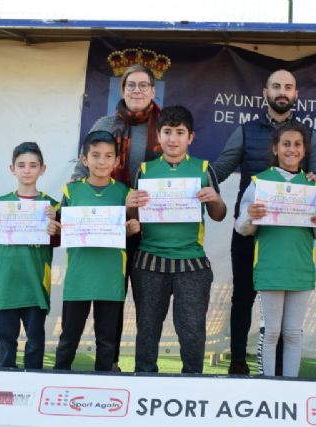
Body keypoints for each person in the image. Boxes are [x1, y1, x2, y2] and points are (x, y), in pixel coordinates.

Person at [213, 69, 316, 375]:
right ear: (265, 92)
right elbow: (220, 169)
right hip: (250, 229)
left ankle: (279, 369)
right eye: (276, 86)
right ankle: (238, 361)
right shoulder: (246, 130)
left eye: (288, 87)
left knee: (284, 315)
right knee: (243, 295)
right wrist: (193, 186)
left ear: (295, 94)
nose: (282, 91)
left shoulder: (308, 135)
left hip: (290, 237)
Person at [72, 63, 161, 371]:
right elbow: (82, 168)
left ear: (153, 90)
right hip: (113, 226)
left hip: (154, 228)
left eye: (143, 85)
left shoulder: (165, 125)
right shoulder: (106, 123)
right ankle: (109, 363)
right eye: (131, 85)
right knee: (114, 297)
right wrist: (71, 198)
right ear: (122, 90)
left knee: (148, 300)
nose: (137, 90)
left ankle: (146, 364)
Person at [126, 105, 226, 373]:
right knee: (147, 329)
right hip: (149, 260)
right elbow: (134, 219)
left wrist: (216, 199)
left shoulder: (204, 169)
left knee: (192, 330)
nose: (173, 139)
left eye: (180, 132)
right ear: (158, 136)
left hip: (191, 261)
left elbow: (219, 215)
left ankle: (192, 382)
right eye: (167, 132)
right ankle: (144, 381)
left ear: (190, 137)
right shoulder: (144, 170)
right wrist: (130, 204)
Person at [234, 121, 316, 377]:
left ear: (305, 150)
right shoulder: (259, 183)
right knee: (272, 332)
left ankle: (291, 386)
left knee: (292, 333)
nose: (292, 149)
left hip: (300, 269)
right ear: (275, 149)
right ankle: (267, 383)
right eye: (286, 144)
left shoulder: (312, 186)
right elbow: (241, 227)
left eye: (297, 144)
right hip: (269, 268)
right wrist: (250, 215)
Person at [48, 131, 140, 371]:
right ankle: (58, 380)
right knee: (68, 339)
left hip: (111, 279)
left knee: (107, 341)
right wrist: (52, 222)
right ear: (84, 159)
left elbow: (130, 229)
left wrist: (131, 228)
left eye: (109, 156)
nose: (102, 161)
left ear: (117, 161)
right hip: (79, 277)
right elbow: (58, 228)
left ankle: (105, 388)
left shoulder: (124, 193)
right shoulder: (71, 192)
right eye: (96, 155)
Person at [0, 142, 59, 369]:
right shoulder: (0, 205)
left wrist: (56, 225)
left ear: (42, 169)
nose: (27, 170)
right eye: (21, 165)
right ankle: (6, 379)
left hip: (35, 284)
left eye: (33, 165)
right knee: (6, 339)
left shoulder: (51, 206)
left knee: (35, 341)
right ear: (12, 169)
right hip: (7, 284)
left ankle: (34, 381)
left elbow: (57, 241)